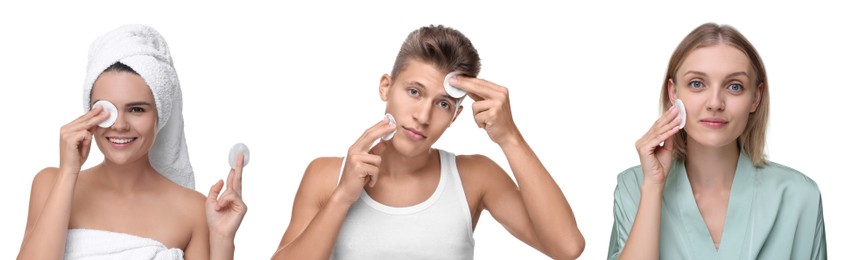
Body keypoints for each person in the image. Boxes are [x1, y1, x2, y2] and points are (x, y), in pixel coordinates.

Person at [272, 24, 585, 259]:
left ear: (455, 116)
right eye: (414, 92)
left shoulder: (474, 177)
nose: (423, 115)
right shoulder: (326, 176)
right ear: (386, 87)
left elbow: (567, 247)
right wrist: (342, 197)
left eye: (443, 103)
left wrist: (510, 137)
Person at [17, 24, 246, 260]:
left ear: (160, 114)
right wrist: (68, 171)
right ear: (89, 113)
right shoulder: (51, 184)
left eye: (137, 109)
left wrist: (222, 240)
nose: (120, 125)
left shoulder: (193, 210)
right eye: (106, 109)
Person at [608, 23, 826, 259]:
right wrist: (652, 187)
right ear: (673, 94)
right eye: (697, 84)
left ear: (756, 97)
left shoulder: (799, 196)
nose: (715, 103)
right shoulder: (634, 188)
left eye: (734, 86)